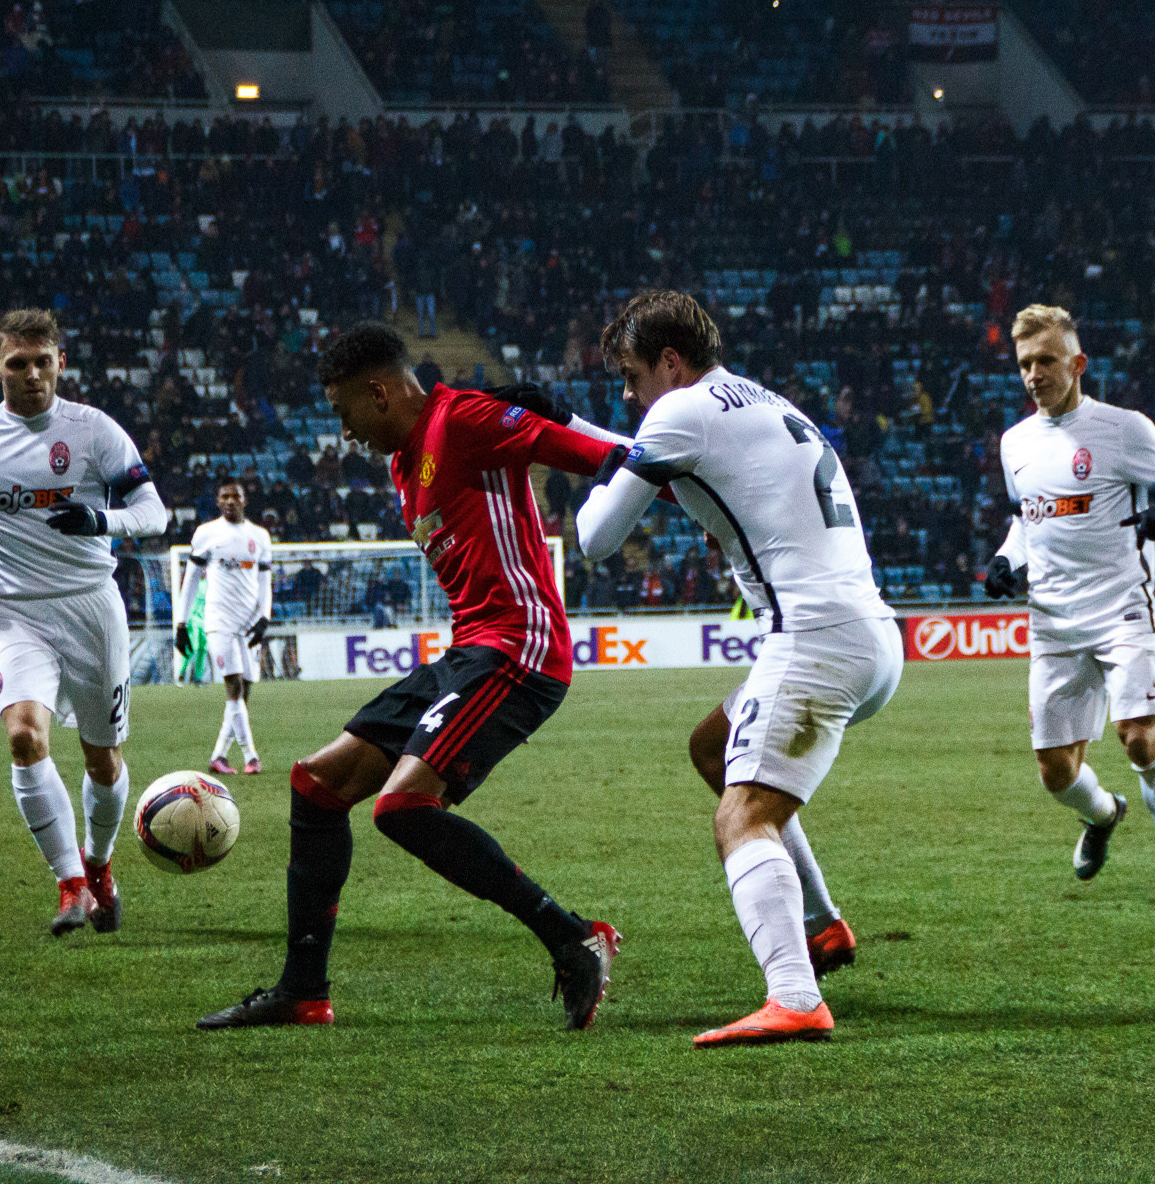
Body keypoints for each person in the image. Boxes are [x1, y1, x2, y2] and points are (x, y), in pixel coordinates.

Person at [198, 323, 624, 1034]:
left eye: (344, 413)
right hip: (469, 651)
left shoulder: (465, 419)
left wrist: (567, 417)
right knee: (315, 785)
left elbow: (598, 456)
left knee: (400, 808)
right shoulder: (405, 465)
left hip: (519, 649)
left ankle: (571, 935)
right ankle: (302, 991)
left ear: (380, 391)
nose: (345, 432)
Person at [575, 290, 902, 1048]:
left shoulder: (680, 412)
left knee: (743, 817)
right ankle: (821, 929)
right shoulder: (754, 397)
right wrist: (575, 434)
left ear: (669, 360)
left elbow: (594, 537)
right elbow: (644, 449)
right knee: (712, 747)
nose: (627, 395)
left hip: (815, 639)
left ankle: (794, 995)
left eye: (631, 376)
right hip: (866, 636)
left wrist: (544, 440)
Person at [0, 308, 169, 938]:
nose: (31, 375)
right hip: (13, 610)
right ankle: (71, 884)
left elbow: (154, 511)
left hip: (90, 605)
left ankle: (100, 863)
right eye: (17, 364)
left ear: (61, 362)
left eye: (42, 362)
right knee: (25, 738)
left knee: (103, 761)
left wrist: (102, 522)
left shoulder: (94, 431)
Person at [983, 304, 1155, 910]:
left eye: (1047, 360)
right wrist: (1007, 559)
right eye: (1025, 363)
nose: (1034, 374)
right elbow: (1023, 521)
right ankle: (1105, 815)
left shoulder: (1125, 429)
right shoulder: (1015, 444)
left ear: (1078, 363)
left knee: (1138, 736)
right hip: (1052, 622)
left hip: (1120, 609)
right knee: (1056, 771)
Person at [175, 482, 273, 775]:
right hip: (218, 621)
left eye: (236, 496)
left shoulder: (260, 536)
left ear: (245, 499)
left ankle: (218, 756)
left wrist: (264, 617)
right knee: (233, 686)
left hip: (249, 623)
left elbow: (265, 580)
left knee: (246, 691)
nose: (231, 501)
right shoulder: (207, 533)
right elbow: (191, 578)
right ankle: (251, 757)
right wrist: (181, 623)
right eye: (225, 497)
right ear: (218, 501)